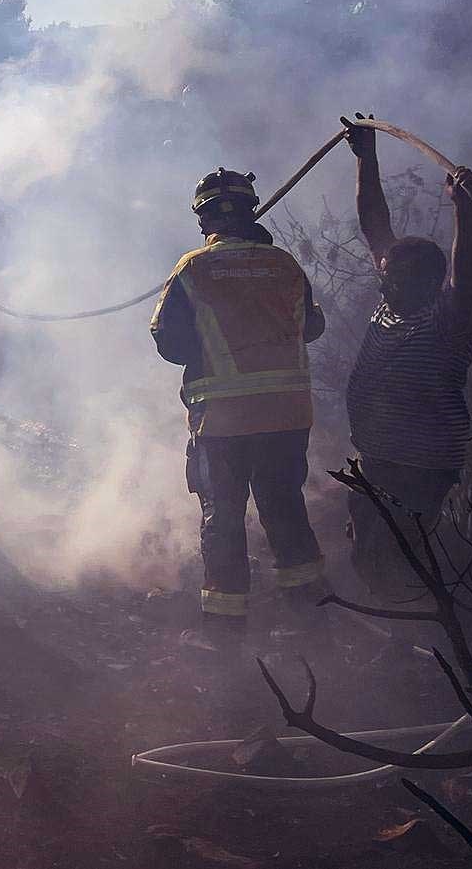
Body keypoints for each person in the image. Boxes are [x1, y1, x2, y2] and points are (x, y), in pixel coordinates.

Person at [151, 168, 329, 651]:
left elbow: (169, 342)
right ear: (252, 209)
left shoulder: (193, 268)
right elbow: (311, 327)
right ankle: (314, 621)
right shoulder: (285, 265)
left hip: (223, 423)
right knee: (286, 511)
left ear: (203, 216)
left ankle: (225, 635)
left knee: (223, 518)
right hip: (286, 417)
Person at [342, 113, 472, 601]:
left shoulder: (446, 318)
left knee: (401, 558)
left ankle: (420, 637)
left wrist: (464, 208)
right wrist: (367, 157)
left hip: (421, 464)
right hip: (379, 455)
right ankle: (400, 627)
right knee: (367, 551)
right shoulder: (391, 305)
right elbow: (374, 225)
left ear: (424, 280)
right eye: (386, 273)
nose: (385, 278)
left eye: (394, 275)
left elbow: (466, 274)